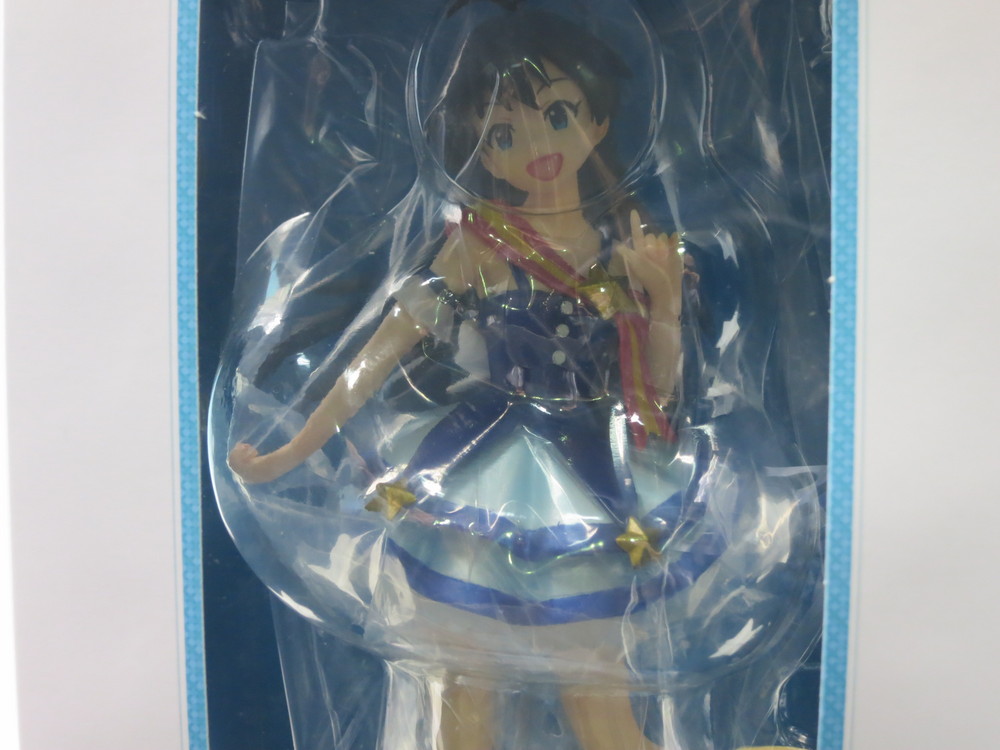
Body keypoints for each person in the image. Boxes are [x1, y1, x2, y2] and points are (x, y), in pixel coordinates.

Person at [230, 9, 715, 749]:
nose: (539, 147)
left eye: (559, 116)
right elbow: (376, 355)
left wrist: (667, 304)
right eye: (503, 134)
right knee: (464, 687)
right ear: (480, 150)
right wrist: (289, 451)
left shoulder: (630, 249)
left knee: (598, 690)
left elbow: (658, 396)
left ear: (598, 120)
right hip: (480, 464)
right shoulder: (479, 246)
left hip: (595, 475)